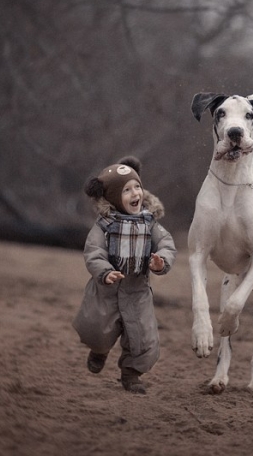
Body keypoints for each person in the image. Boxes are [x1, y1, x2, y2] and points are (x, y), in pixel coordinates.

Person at [72, 156, 176, 394]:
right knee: (97, 328)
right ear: (112, 197)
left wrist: (161, 262)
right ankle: (99, 350)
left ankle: (131, 374)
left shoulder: (149, 223)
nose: (135, 193)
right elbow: (94, 252)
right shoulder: (104, 225)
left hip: (137, 290)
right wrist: (105, 272)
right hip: (107, 289)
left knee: (142, 336)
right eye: (126, 190)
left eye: (137, 186)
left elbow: (167, 245)